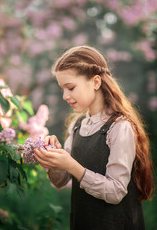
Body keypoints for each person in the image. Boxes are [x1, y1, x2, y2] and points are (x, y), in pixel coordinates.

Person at [34, 46, 154, 230]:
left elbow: (115, 192)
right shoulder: (78, 126)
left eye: (71, 87)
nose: (65, 96)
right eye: (62, 89)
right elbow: (60, 181)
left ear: (96, 82)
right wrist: (54, 159)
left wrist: (72, 166)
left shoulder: (119, 127)